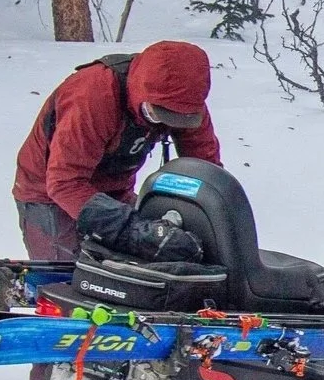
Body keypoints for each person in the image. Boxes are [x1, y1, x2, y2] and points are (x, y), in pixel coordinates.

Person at [12, 40, 220, 263]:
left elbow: (205, 169)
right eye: (157, 113)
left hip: (115, 190)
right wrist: (128, 229)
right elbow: (64, 182)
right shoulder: (93, 95)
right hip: (50, 193)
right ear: (141, 91)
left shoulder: (185, 101)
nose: (164, 121)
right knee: (67, 274)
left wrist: (210, 214)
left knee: (141, 267)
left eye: (175, 118)